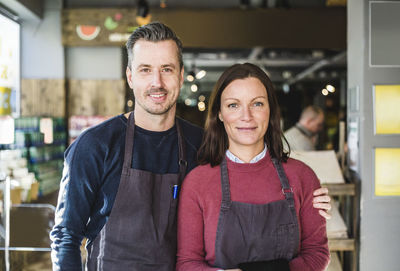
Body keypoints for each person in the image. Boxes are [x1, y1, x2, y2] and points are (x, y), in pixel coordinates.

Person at [50, 22, 330, 271]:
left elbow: (248, 178)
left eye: (167, 69)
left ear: (181, 76)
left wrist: (309, 200)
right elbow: (66, 236)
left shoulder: (201, 144)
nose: (157, 82)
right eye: (145, 70)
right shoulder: (95, 146)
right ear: (130, 76)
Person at [176, 63, 330, 271]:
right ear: (220, 114)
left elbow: (316, 254)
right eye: (233, 105)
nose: (246, 116)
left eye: (257, 104)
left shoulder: (302, 176)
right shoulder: (197, 182)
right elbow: (187, 264)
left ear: (270, 111)